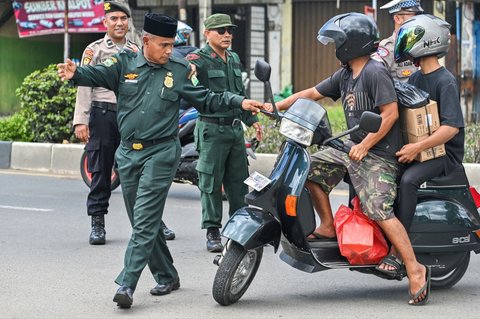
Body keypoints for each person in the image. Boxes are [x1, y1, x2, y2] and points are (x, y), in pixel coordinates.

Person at [57, 13, 263, 309]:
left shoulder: (179, 69)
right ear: (146, 41)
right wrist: (75, 73)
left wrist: (238, 102)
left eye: (171, 45)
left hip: (162, 152)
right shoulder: (123, 64)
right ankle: (166, 274)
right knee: (142, 221)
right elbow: (94, 74)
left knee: (143, 220)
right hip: (128, 154)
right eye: (164, 45)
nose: (170, 51)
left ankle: (127, 282)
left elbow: (206, 98)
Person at [268, 12, 430, 305]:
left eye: (337, 42)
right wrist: (275, 105)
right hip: (352, 148)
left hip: (378, 155)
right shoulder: (345, 74)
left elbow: (390, 114)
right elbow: (312, 92)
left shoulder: (374, 71)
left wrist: (366, 145)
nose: (334, 47)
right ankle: (327, 224)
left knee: (378, 208)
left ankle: (414, 267)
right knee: (310, 169)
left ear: (351, 43)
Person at [73, 1, 175, 244]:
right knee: (101, 168)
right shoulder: (94, 50)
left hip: (133, 116)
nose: (119, 23)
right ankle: (98, 222)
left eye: (123, 18)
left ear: (129, 22)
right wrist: (81, 120)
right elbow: (84, 84)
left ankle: (153, 222)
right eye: (114, 19)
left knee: (143, 170)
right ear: (105, 22)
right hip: (104, 114)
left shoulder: (138, 48)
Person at [377, 14, 464, 277]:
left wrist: (416, 148)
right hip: (420, 148)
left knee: (407, 181)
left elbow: (451, 128)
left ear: (426, 42)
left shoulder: (445, 80)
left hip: (442, 153)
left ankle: (398, 252)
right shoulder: (415, 79)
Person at [186, 13, 263, 253]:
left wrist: (252, 121)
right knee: (210, 183)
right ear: (207, 33)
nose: (227, 34)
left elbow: (238, 91)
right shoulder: (199, 59)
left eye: (229, 30)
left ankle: (238, 229)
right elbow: (189, 75)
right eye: (221, 31)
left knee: (239, 184)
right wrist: (187, 70)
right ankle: (212, 231)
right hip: (211, 129)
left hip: (233, 130)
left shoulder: (233, 58)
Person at [372, 0, 423, 82]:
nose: (417, 19)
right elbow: (373, 75)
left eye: (418, 15)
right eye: (414, 16)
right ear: (398, 18)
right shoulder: (388, 47)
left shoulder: (421, 43)